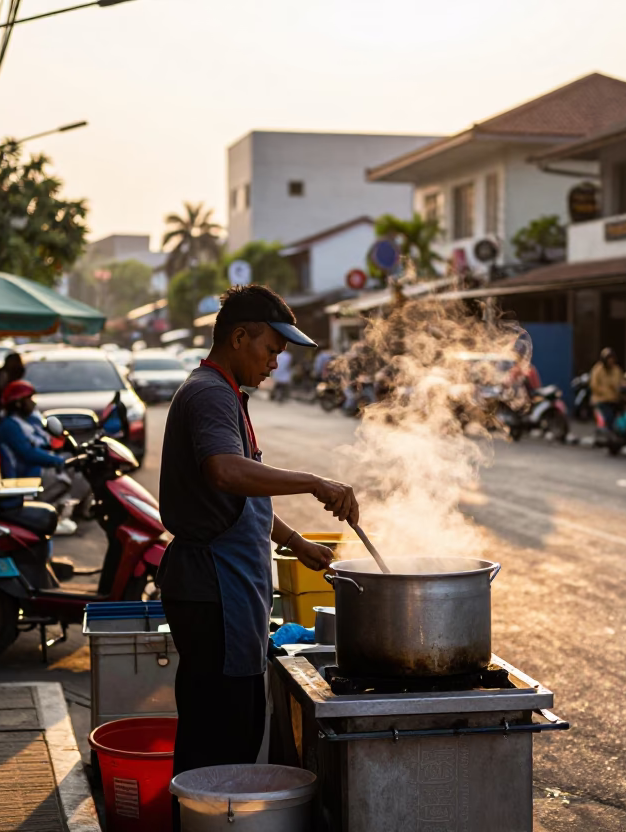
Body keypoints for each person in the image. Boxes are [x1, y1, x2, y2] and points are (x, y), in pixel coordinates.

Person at [158, 284, 358, 799]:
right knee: (219, 739)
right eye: (271, 349)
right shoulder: (208, 393)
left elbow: (244, 494)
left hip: (228, 590)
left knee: (234, 728)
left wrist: (294, 541)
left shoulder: (227, 394)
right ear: (239, 336)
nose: (275, 363)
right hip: (212, 589)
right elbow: (226, 473)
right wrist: (315, 481)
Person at [0, 380, 82, 534]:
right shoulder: (9, 426)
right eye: (29, 399)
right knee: (69, 475)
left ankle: (62, 511)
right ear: (18, 403)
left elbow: (46, 442)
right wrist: (59, 461)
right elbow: (29, 454)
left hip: (36, 469)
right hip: (25, 474)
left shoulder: (31, 420)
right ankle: (46, 511)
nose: (33, 404)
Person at [590, 348, 625, 430]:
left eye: (612, 358)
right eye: (608, 358)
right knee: (609, 418)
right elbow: (594, 385)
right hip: (602, 400)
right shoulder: (597, 370)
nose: (610, 361)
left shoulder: (617, 370)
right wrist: (605, 392)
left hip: (615, 399)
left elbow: (621, 382)